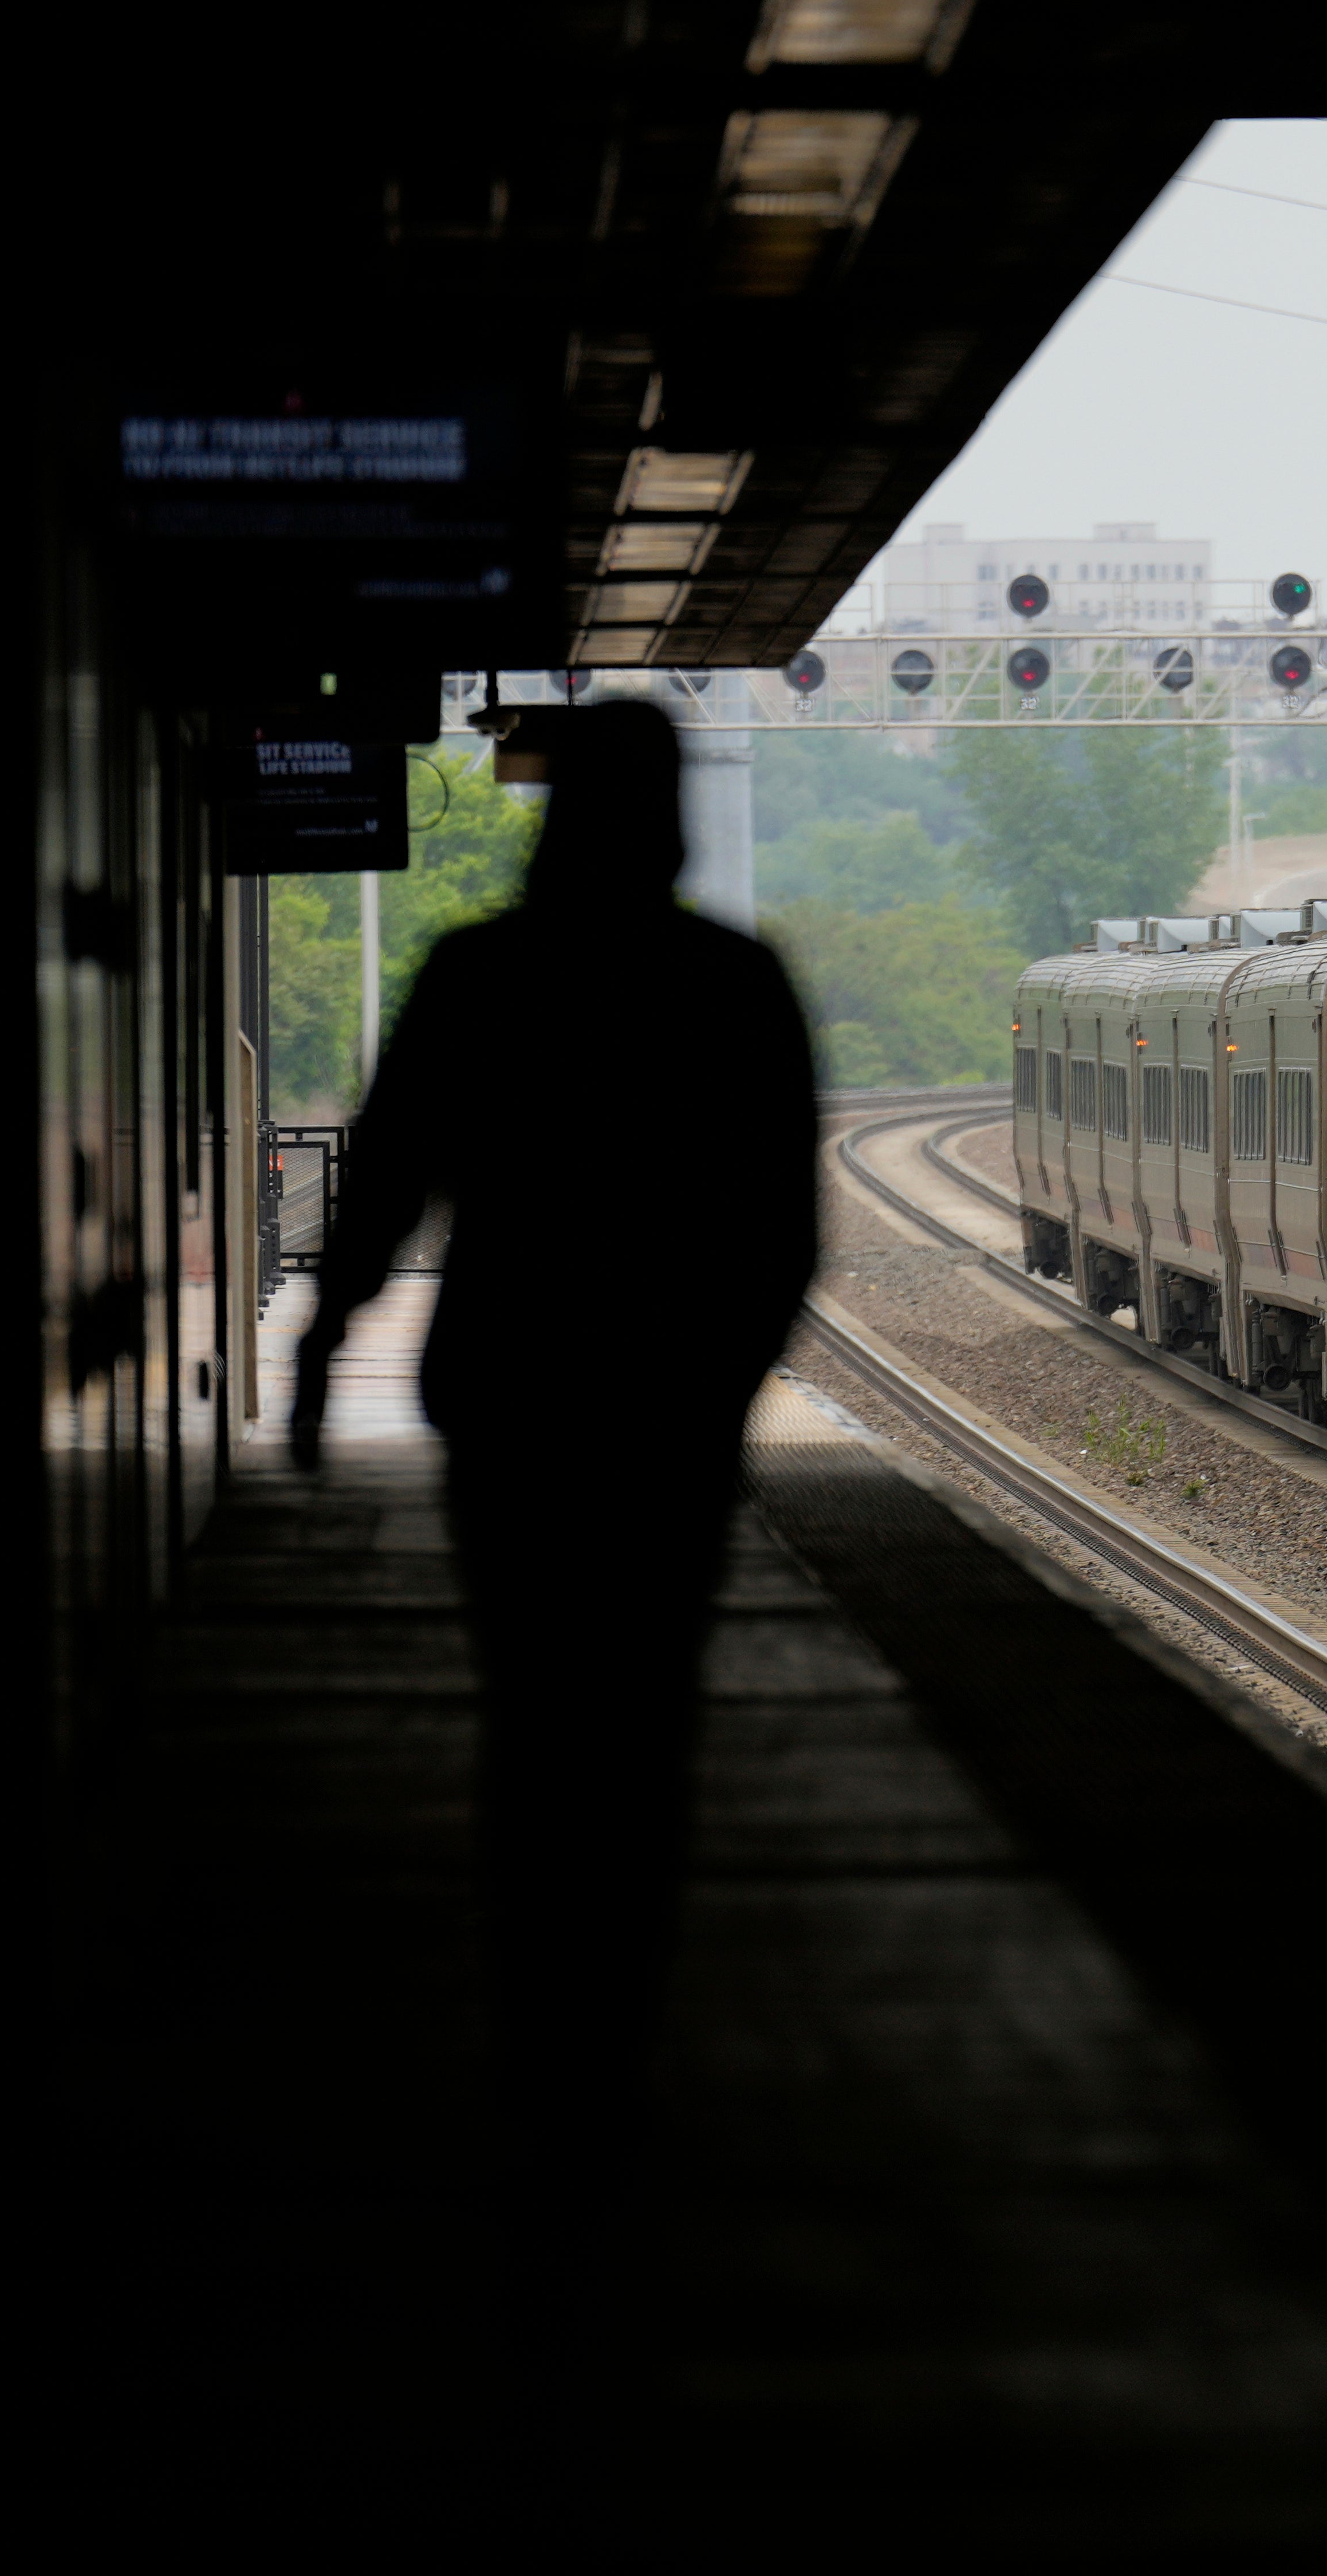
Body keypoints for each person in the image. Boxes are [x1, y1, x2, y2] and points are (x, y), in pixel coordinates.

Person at [290, 696, 816, 2149]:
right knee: (642, 1727)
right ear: (669, 819)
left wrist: (322, 1354)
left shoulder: (478, 975)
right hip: (664, 1430)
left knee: (530, 1718)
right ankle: (616, 2032)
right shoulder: (733, 984)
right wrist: (717, 1384)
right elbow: (783, 1230)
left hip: (510, 1411)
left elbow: (386, 1179)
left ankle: (539, 2029)